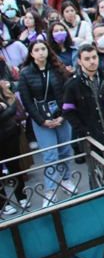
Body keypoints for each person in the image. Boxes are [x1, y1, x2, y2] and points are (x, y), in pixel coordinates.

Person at [19, 40, 75, 206]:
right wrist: (42, 120)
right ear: (31, 53)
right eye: (37, 50)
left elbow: (67, 92)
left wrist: (64, 115)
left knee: (65, 150)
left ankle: (66, 179)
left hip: (61, 114)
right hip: (41, 118)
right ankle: (50, 191)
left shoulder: (58, 68)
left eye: (43, 49)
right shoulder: (25, 73)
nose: (41, 52)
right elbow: (26, 101)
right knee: (50, 155)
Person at [62, 43, 104, 177]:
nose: (92, 61)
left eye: (94, 57)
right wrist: (83, 131)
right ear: (79, 61)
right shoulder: (72, 84)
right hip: (90, 136)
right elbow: (68, 111)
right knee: (96, 175)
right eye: (87, 59)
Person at [0, 77, 27, 215]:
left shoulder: (1, 87)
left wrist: (3, 109)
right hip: (7, 128)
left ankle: (22, 196)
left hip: (9, 132)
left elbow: (12, 106)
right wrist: (2, 107)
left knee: (15, 166)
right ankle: (3, 204)